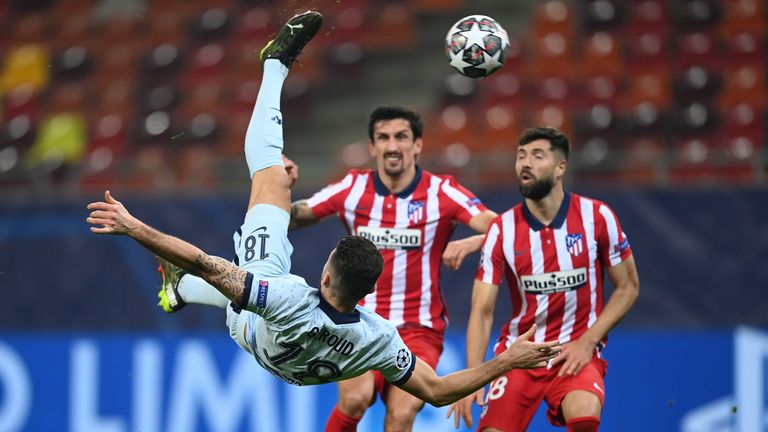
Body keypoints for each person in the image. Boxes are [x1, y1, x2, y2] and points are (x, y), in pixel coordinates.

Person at [86, 9, 561, 412]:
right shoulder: (378, 336)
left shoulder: (289, 297)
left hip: (256, 323)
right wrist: (508, 361)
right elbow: (437, 392)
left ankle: (274, 65)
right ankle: (180, 293)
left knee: (266, 179)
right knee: (221, 275)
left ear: (327, 278)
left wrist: (134, 227)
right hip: (287, 362)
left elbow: (207, 262)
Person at [158, 40, 498, 432]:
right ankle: (183, 289)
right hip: (358, 321)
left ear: (418, 145)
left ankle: (183, 289)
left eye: (402, 137)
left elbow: (501, 226)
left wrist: (474, 241)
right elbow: (299, 216)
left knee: (403, 413)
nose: (393, 145)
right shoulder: (352, 188)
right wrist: (285, 190)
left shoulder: (443, 192)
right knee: (353, 399)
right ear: (371, 146)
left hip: (419, 326)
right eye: (384, 138)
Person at [447, 127, 640, 432]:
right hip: (519, 355)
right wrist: (474, 377)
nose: (526, 163)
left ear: (560, 167)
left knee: (585, 415)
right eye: (521, 156)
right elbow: (482, 311)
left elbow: (629, 287)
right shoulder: (502, 230)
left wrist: (588, 341)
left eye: (537, 156)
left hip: (574, 351)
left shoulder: (597, 216)